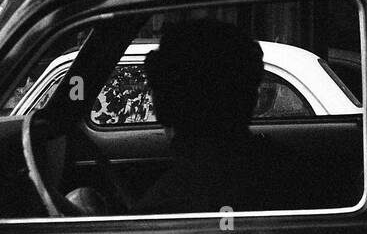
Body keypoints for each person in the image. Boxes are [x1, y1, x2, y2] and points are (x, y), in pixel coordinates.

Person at [134, 20, 313, 214]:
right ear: (250, 96)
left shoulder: (177, 197)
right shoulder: (288, 173)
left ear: (169, 102)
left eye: (158, 86)